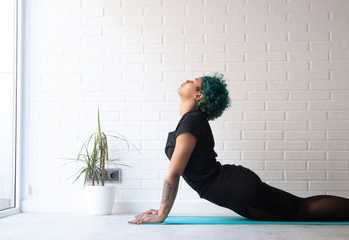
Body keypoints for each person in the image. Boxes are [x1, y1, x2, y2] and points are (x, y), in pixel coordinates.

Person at [129, 73, 349, 225]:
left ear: (198, 95)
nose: (186, 80)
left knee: (302, 210)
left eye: (193, 81)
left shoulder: (192, 122)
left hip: (234, 187)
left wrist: (161, 214)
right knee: (299, 210)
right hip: (232, 188)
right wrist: (161, 211)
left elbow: (174, 172)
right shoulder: (191, 120)